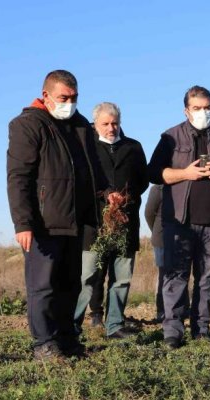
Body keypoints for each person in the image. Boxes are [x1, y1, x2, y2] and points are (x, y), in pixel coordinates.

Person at [7, 70, 121, 360]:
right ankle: (44, 344)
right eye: (63, 98)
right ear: (46, 95)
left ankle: (68, 340)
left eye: (74, 98)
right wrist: (23, 222)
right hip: (43, 223)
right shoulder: (27, 125)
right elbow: (18, 177)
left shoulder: (80, 125)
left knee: (70, 285)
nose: (69, 103)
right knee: (43, 287)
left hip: (76, 220)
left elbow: (93, 167)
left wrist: (106, 192)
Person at [147, 86, 210, 349]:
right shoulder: (170, 137)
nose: (203, 112)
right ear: (186, 110)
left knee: (207, 277)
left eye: (207, 107)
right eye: (197, 108)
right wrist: (185, 174)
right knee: (175, 276)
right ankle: (173, 331)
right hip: (179, 221)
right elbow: (154, 173)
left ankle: (201, 328)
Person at [74, 102, 149, 339]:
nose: (111, 128)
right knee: (87, 278)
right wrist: (106, 194)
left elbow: (143, 181)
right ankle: (72, 327)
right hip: (94, 225)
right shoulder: (86, 148)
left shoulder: (133, 147)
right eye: (105, 123)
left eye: (114, 123)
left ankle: (115, 325)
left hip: (126, 223)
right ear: (95, 124)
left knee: (122, 279)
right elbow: (81, 182)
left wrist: (126, 196)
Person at [145, 184, 166, 322]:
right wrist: (156, 231)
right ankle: (161, 311)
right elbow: (148, 214)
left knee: (180, 274)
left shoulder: (183, 186)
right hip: (161, 239)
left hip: (180, 239)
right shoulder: (157, 188)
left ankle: (181, 308)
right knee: (163, 275)